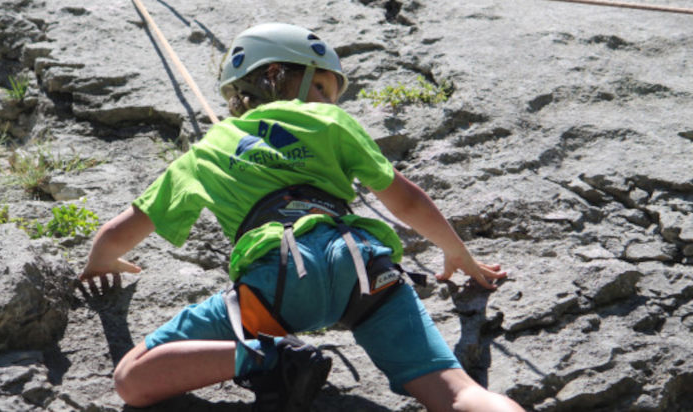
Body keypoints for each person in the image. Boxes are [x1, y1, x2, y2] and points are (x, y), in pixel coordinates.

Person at [79, 22, 525, 412]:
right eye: (321, 88)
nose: (327, 100)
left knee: (131, 380)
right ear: (277, 75)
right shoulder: (328, 122)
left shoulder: (203, 154)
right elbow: (405, 200)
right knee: (456, 395)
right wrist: (457, 253)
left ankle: (269, 358)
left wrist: (101, 259)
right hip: (364, 272)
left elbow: (119, 231)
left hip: (273, 285)